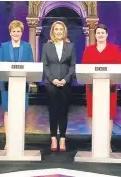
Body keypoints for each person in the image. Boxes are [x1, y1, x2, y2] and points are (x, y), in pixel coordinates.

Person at [81, 24, 121, 151]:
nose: (100, 35)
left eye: (103, 33)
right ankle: (96, 143)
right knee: (93, 115)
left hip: (110, 88)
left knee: (109, 115)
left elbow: (119, 66)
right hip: (92, 88)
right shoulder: (89, 50)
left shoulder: (114, 49)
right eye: (98, 33)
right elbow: (84, 68)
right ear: (95, 35)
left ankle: (107, 144)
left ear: (106, 35)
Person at [0, 20, 34, 150]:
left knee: (20, 112)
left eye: (18, 31)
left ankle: (19, 140)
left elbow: (31, 65)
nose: (16, 33)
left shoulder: (27, 46)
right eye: (13, 31)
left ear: (22, 32)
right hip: (7, 85)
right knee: (8, 112)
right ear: (10, 32)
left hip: (22, 84)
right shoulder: (4, 46)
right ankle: (8, 141)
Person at [41, 21, 76, 152]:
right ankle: (53, 138)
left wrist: (66, 79)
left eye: (61, 29)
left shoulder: (70, 46)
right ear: (53, 31)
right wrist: (52, 79)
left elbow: (73, 65)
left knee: (64, 111)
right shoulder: (47, 46)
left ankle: (62, 139)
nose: (59, 31)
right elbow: (44, 65)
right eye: (56, 29)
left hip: (66, 84)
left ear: (64, 31)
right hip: (51, 83)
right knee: (53, 111)